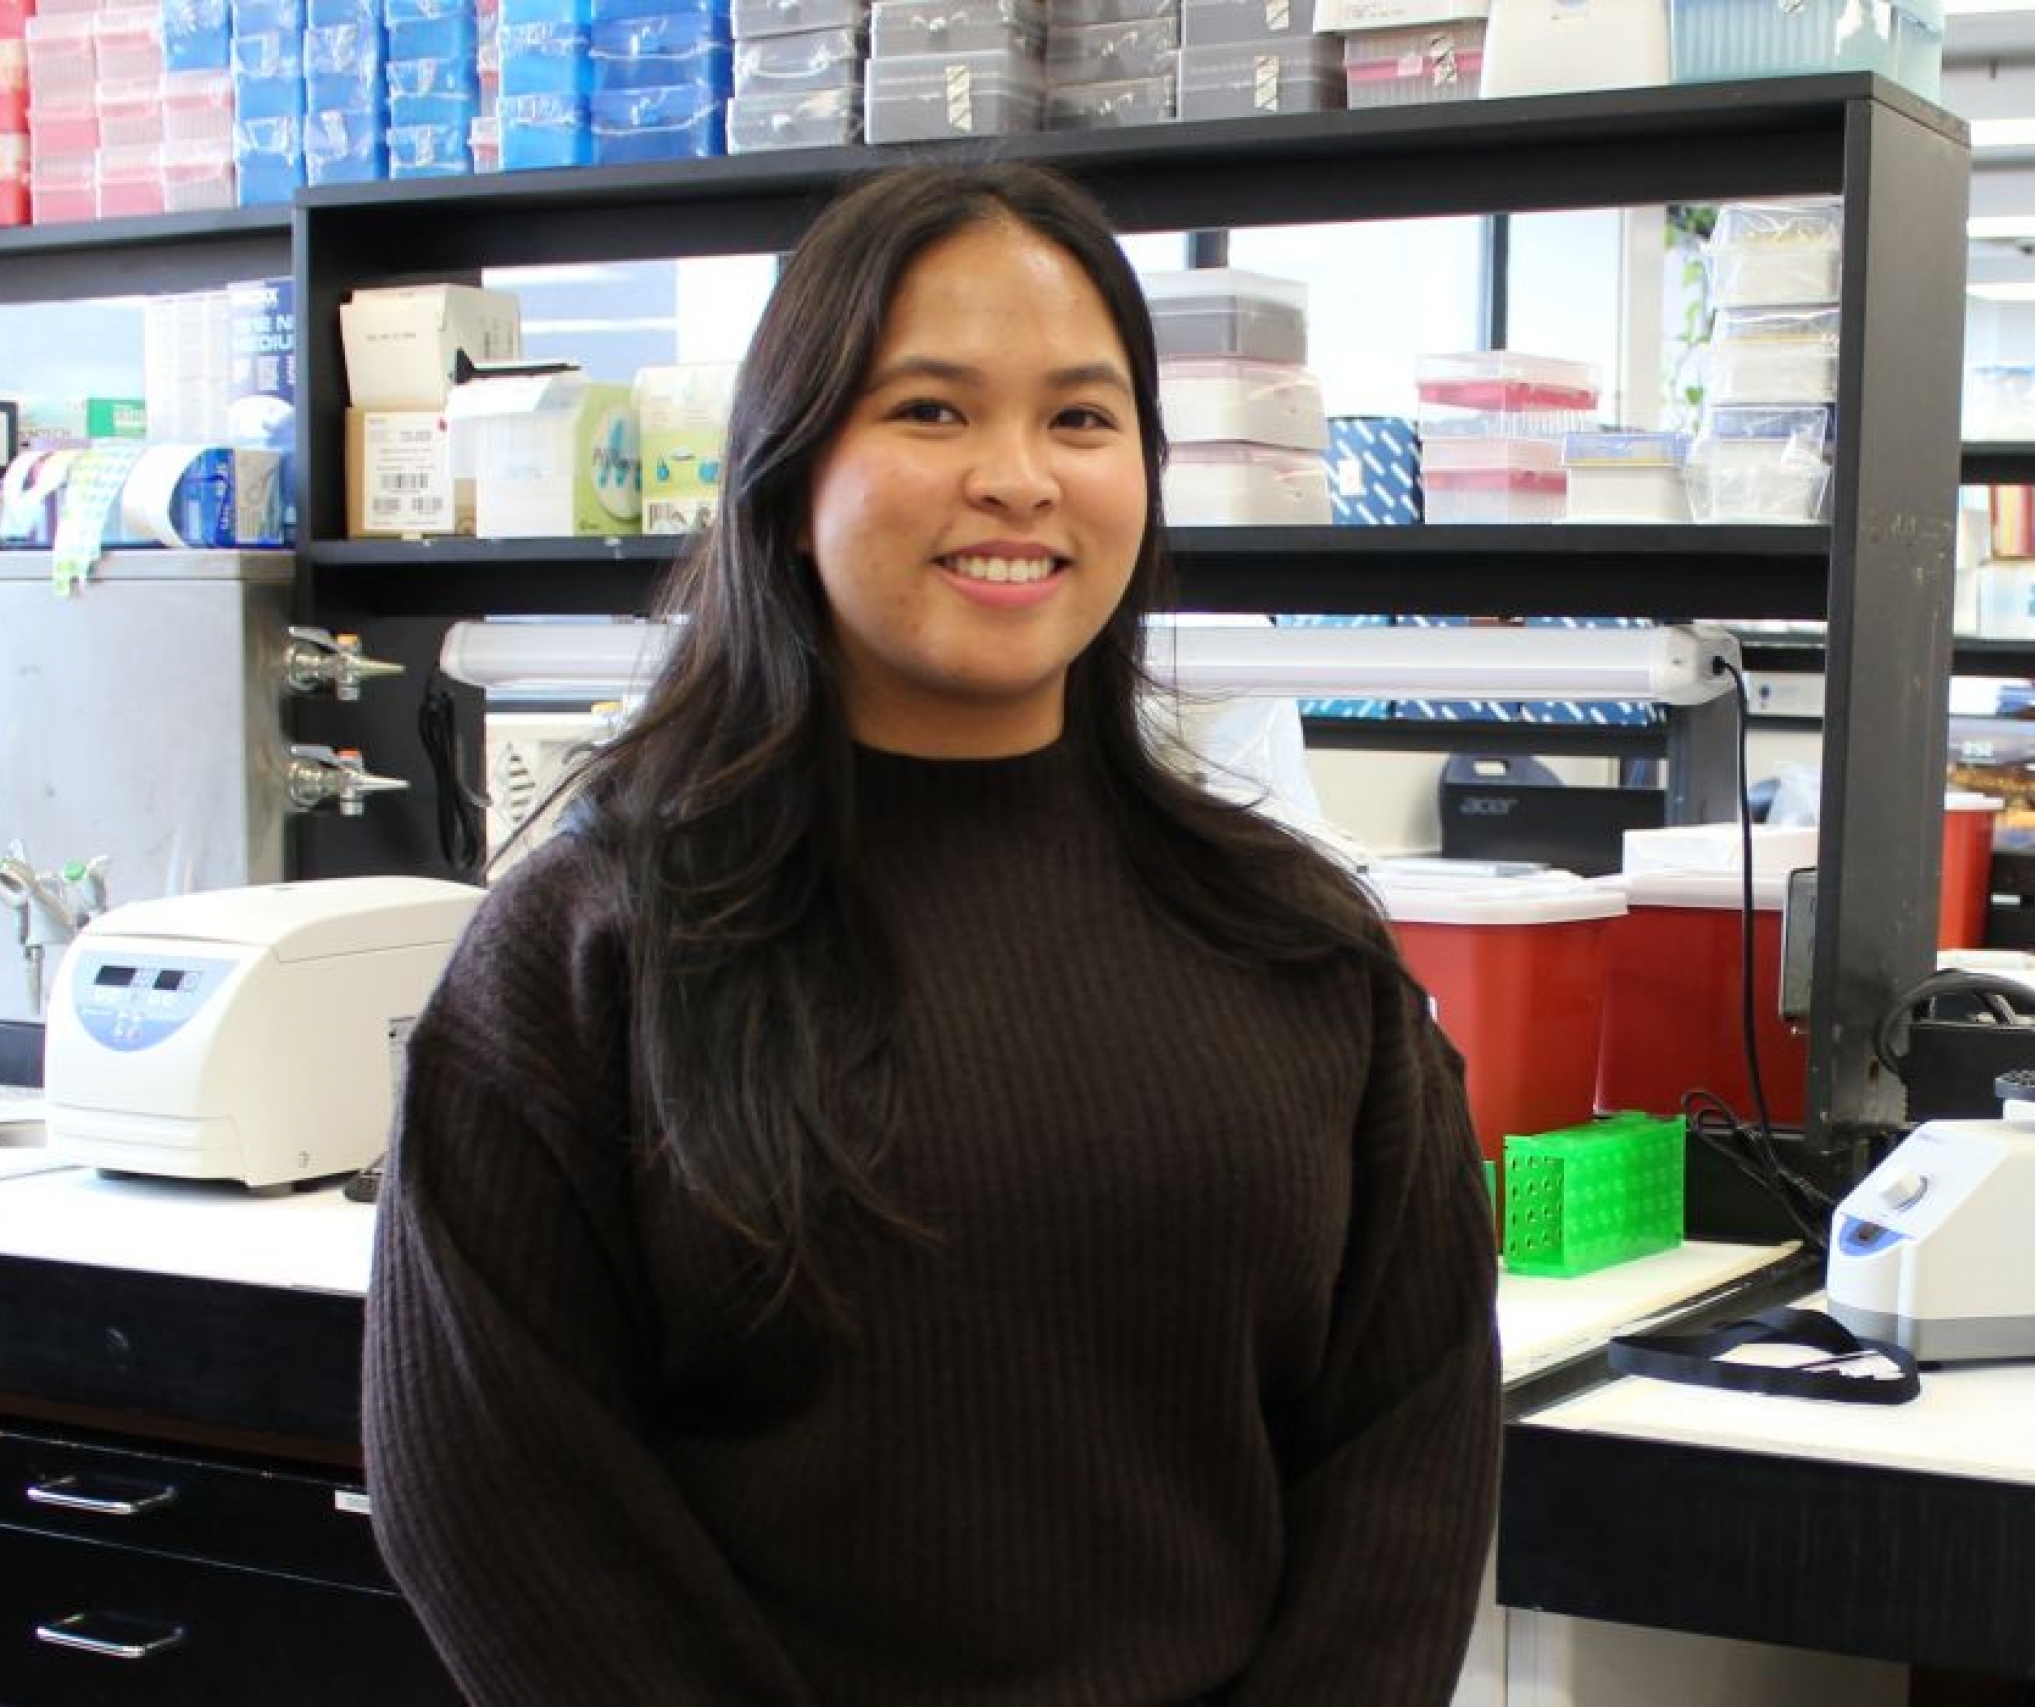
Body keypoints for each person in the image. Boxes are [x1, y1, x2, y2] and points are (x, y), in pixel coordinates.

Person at [362, 161, 1500, 1705]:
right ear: (788, 465)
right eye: (932, 411)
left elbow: (1410, 1450)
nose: (1020, 478)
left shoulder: (1300, 949)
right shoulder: (592, 952)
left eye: (1082, 419)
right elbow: (501, 1503)